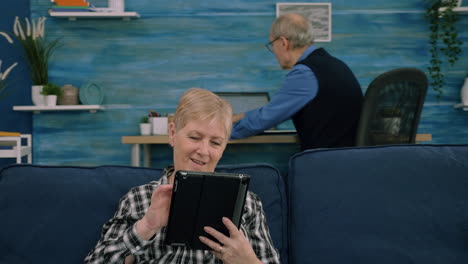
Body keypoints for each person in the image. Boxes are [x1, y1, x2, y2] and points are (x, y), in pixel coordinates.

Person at [84, 88, 280, 264]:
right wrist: (146, 226)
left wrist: (248, 261)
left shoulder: (247, 204)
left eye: (215, 143)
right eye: (194, 137)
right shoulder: (138, 199)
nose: (204, 151)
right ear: (172, 134)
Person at [231, 13, 363, 151]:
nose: (274, 52)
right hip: (347, 159)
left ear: (283, 43)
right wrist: (242, 116)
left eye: (272, 44)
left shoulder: (305, 73)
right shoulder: (335, 64)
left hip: (325, 162)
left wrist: (216, 135)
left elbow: (263, 119)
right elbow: (270, 111)